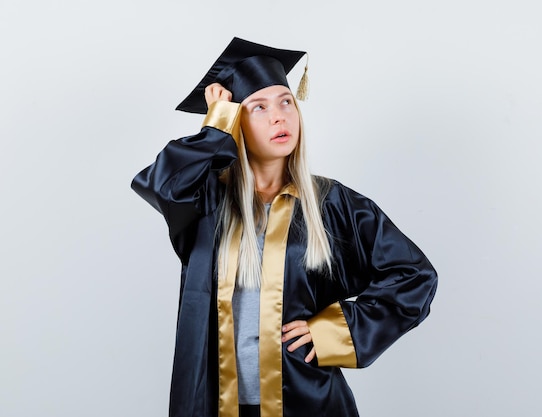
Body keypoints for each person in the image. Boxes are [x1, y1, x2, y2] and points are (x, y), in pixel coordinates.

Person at [131, 37, 438, 417]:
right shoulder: (205, 202)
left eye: (286, 102)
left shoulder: (332, 204)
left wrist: (333, 332)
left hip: (307, 402)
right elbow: (160, 185)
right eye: (258, 107)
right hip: (213, 403)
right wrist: (216, 126)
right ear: (235, 121)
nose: (279, 116)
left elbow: (414, 276)